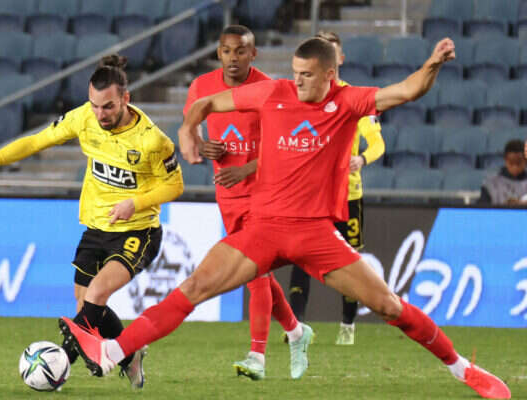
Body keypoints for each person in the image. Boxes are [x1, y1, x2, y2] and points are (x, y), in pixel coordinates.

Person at [59, 38, 512, 399]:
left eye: (306, 75)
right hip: (262, 227)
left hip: (315, 234)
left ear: (330, 75)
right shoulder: (273, 92)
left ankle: (464, 369)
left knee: (389, 306)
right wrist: (187, 130)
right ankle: (112, 350)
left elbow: (407, 91)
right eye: (294, 73)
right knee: (193, 288)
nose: (296, 82)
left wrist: (433, 63)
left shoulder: (349, 102)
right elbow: (205, 104)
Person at [0, 55, 184, 389]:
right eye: (95, 106)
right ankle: (130, 356)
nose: (100, 114)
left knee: (97, 293)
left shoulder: (152, 140)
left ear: (126, 99)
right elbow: (36, 141)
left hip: (138, 230)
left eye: (108, 107)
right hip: (96, 228)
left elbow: (175, 185)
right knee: (86, 304)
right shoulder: (83, 118)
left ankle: (57, 363)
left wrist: (135, 203)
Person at [183, 25, 311, 381]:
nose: (233, 58)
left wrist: (245, 169)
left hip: (264, 194)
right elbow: (190, 128)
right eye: (226, 51)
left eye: (241, 51)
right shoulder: (201, 87)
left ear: (253, 54)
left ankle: (257, 356)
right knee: (256, 273)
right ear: (218, 53)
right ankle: (296, 331)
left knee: (255, 273)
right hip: (228, 196)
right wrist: (203, 146)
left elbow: (284, 147)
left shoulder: (269, 89)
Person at [286, 31, 385, 346]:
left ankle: (347, 325)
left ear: (338, 59)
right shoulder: (300, 98)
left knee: (350, 262)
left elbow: (378, 143)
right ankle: (296, 327)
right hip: (311, 196)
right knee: (301, 259)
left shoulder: (354, 100)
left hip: (347, 196)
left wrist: (362, 158)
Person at [478, 139, 527, 206]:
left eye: (518, 163)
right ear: (505, 160)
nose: (515, 167)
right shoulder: (491, 184)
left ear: (525, 160)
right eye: (511, 163)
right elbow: (482, 209)